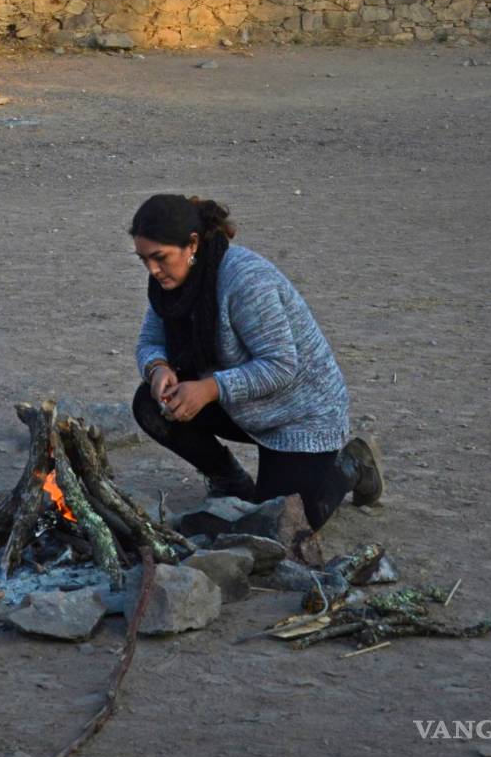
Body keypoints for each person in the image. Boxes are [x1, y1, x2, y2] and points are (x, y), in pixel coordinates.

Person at [130, 192, 382, 528]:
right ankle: (231, 480)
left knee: (282, 524)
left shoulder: (245, 281)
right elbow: (150, 341)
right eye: (144, 259)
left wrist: (209, 389)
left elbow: (281, 366)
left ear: (191, 244)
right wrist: (157, 367)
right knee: (150, 404)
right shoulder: (170, 285)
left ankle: (353, 464)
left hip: (301, 414)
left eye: (160, 257)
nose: (153, 270)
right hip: (244, 404)